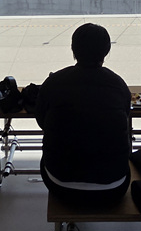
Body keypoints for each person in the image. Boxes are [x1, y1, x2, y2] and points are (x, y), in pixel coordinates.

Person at [35, 23, 131, 206]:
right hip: (113, 187)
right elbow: (124, 118)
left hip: (60, 185)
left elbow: (42, 122)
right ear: (106, 51)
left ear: (73, 49)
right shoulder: (118, 84)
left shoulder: (53, 82)